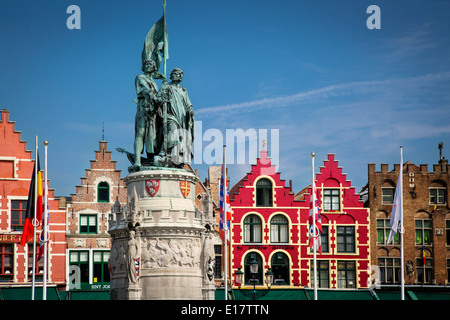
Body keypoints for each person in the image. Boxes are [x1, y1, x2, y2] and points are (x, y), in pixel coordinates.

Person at [156, 68, 194, 167]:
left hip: (181, 117)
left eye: (179, 74)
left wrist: (190, 111)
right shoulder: (165, 87)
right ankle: (163, 153)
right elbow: (158, 100)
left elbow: (188, 104)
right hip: (170, 114)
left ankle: (175, 156)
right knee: (172, 131)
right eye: (175, 74)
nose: (177, 75)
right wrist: (161, 99)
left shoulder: (183, 90)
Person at [134, 59, 159, 167]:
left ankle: (150, 159)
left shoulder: (154, 82)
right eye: (146, 64)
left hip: (153, 113)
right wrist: (156, 98)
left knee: (152, 137)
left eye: (151, 64)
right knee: (141, 133)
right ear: (143, 67)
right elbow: (145, 90)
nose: (149, 65)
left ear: (154, 68)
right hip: (143, 109)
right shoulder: (140, 77)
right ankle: (137, 161)